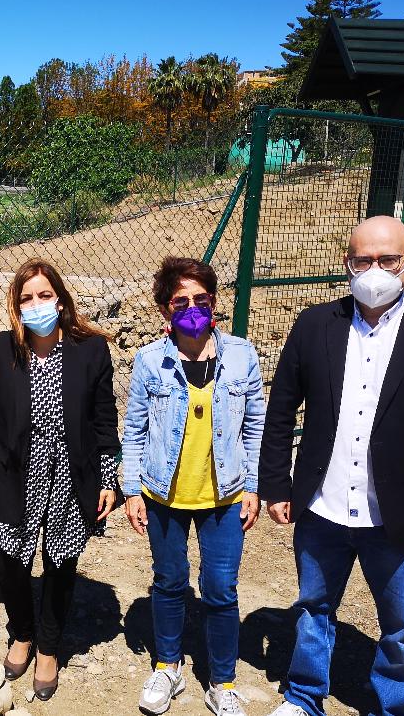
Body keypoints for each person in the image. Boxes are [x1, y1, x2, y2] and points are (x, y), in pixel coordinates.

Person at [262, 216, 404, 716]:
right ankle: (303, 696)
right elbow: (280, 413)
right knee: (314, 608)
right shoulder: (315, 324)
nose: (374, 270)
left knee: (401, 625)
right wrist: (277, 484)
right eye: (363, 259)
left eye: (387, 259)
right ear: (347, 263)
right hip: (322, 507)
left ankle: (393, 704)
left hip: (398, 515)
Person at [0, 258, 120, 701]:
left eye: (43, 295)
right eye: (26, 298)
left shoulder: (90, 350)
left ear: (59, 300)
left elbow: (104, 422)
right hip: (19, 473)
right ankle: (21, 633)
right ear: (15, 306)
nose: (36, 304)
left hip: (71, 474)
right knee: (13, 564)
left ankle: (48, 648)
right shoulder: (4, 348)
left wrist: (108, 479)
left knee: (60, 566)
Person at [121, 257, 265, 716]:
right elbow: (136, 430)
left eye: (201, 299)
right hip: (163, 494)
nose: (192, 308)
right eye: (180, 301)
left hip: (224, 494)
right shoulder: (149, 361)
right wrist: (130, 490)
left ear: (214, 302)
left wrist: (254, 485)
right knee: (169, 582)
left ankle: (222, 681)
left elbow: (256, 425)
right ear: (165, 309)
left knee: (221, 588)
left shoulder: (242, 355)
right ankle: (167, 665)